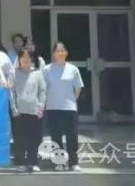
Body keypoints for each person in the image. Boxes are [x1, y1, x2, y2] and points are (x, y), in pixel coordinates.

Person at [44, 42, 84, 172]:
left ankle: (74, 163)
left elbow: (78, 88)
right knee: (56, 137)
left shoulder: (73, 69)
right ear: (54, 53)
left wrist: (71, 100)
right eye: (57, 51)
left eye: (62, 51)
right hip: (52, 107)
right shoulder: (47, 70)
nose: (60, 53)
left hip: (69, 108)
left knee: (72, 136)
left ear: (66, 53)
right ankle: (59, 162)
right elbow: (43, 88)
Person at [12, 48, 46, 173]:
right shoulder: (14, 73)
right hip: (19, 112)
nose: (25, 59)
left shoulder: (37, 73)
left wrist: (41, 107)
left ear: (31, 58)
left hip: (34, 111)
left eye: (28, 56)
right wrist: (13, 107)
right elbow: (11, 92)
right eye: (23, 57)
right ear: (19, 59)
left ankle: (33, 162)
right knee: (19, 139)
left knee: (34, 138)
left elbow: (42, 91)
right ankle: (20, 163)